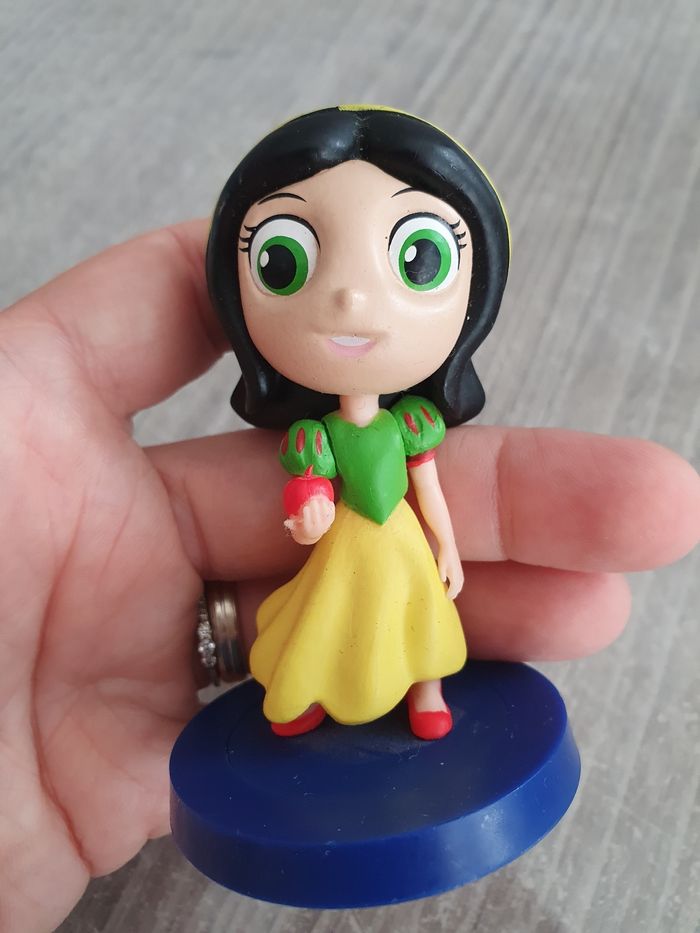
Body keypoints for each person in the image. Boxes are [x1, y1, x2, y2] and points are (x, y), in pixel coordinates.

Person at [0, 220, 698, 933]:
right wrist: (307, 521)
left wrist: (448, 547)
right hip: (344, 546)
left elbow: (429, 490)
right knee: (330, 620)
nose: (350, 301)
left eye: (416, 261)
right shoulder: (320, 436)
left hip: (400, 542)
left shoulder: (408, 426)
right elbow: (308, 498)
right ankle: (303, 695)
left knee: (416, 618)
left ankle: (426, 691)